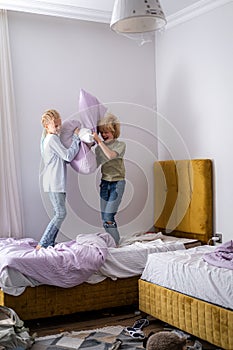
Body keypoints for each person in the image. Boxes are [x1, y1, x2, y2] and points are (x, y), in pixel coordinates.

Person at [36, 109, 80, 249]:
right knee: (60, 213)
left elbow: (62, 159)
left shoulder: (47, 139)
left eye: (59, 124)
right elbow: (67, 156)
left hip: (53, 181)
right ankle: (43, 243)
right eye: (55, 125)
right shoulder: (52, 139)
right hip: (54, 182)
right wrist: (76, 139)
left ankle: (49, 243)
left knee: (59, 213)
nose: (59, 128)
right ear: (46, 126)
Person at [93, 113, 126, 246]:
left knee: (108, 216)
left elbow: (111, 156)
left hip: (117, 183)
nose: (104, 135)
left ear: (114, 131)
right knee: (104, 218)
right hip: (104, 184)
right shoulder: (99, 148)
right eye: (102, 133)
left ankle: (116, 244)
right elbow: (94, 165)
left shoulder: (120, 145)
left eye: (107, 132)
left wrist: (99, 142)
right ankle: (112, 243)